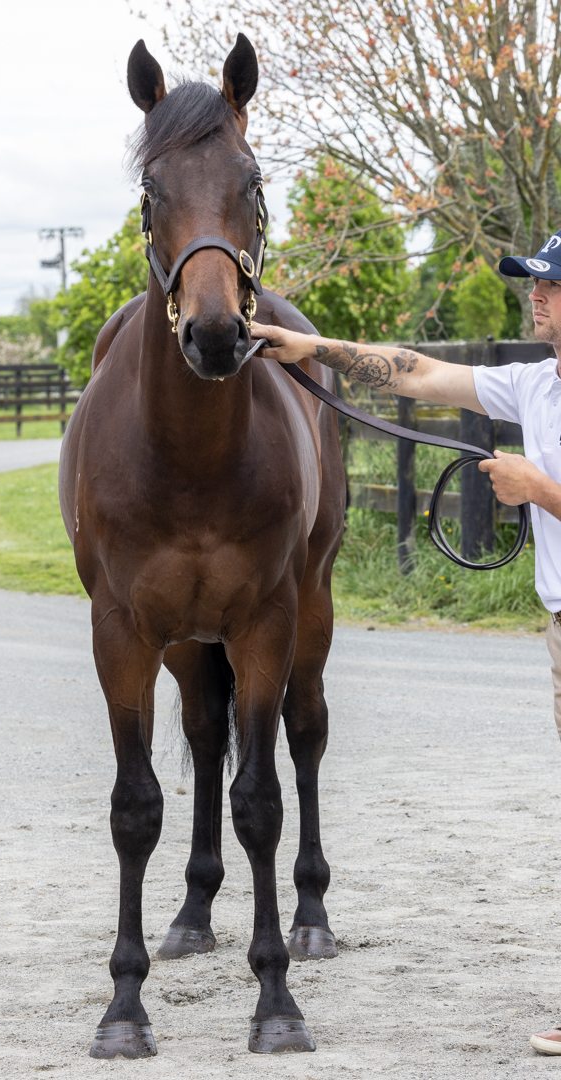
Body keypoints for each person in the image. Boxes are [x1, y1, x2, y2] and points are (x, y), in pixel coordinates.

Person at [253, 230, 561, 1057]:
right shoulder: (536, 383)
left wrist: (540, 489)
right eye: (534, 282)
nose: (536, 295)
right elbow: (418, 372)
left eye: (551, 285)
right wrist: (310, 348)